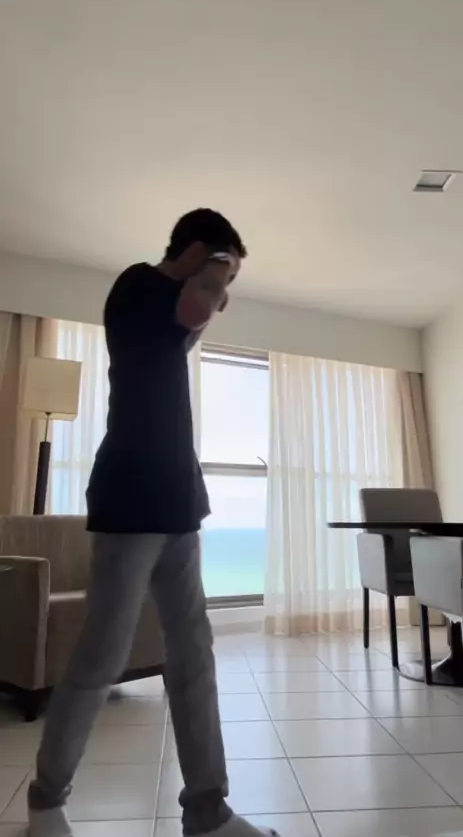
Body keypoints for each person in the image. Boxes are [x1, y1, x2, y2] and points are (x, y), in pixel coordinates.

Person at [27, 209, 280, 837]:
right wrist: (216, 274)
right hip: (132, 499)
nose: (225, 294)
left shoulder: (178, 316)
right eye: (224, 272)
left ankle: (208, 812)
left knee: (193, 656)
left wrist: (216, 278)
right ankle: (46, 801)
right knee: (102, 655)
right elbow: (196, 305)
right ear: (196, 252)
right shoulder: (139, 285)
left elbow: (195, 317)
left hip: (178, 504)